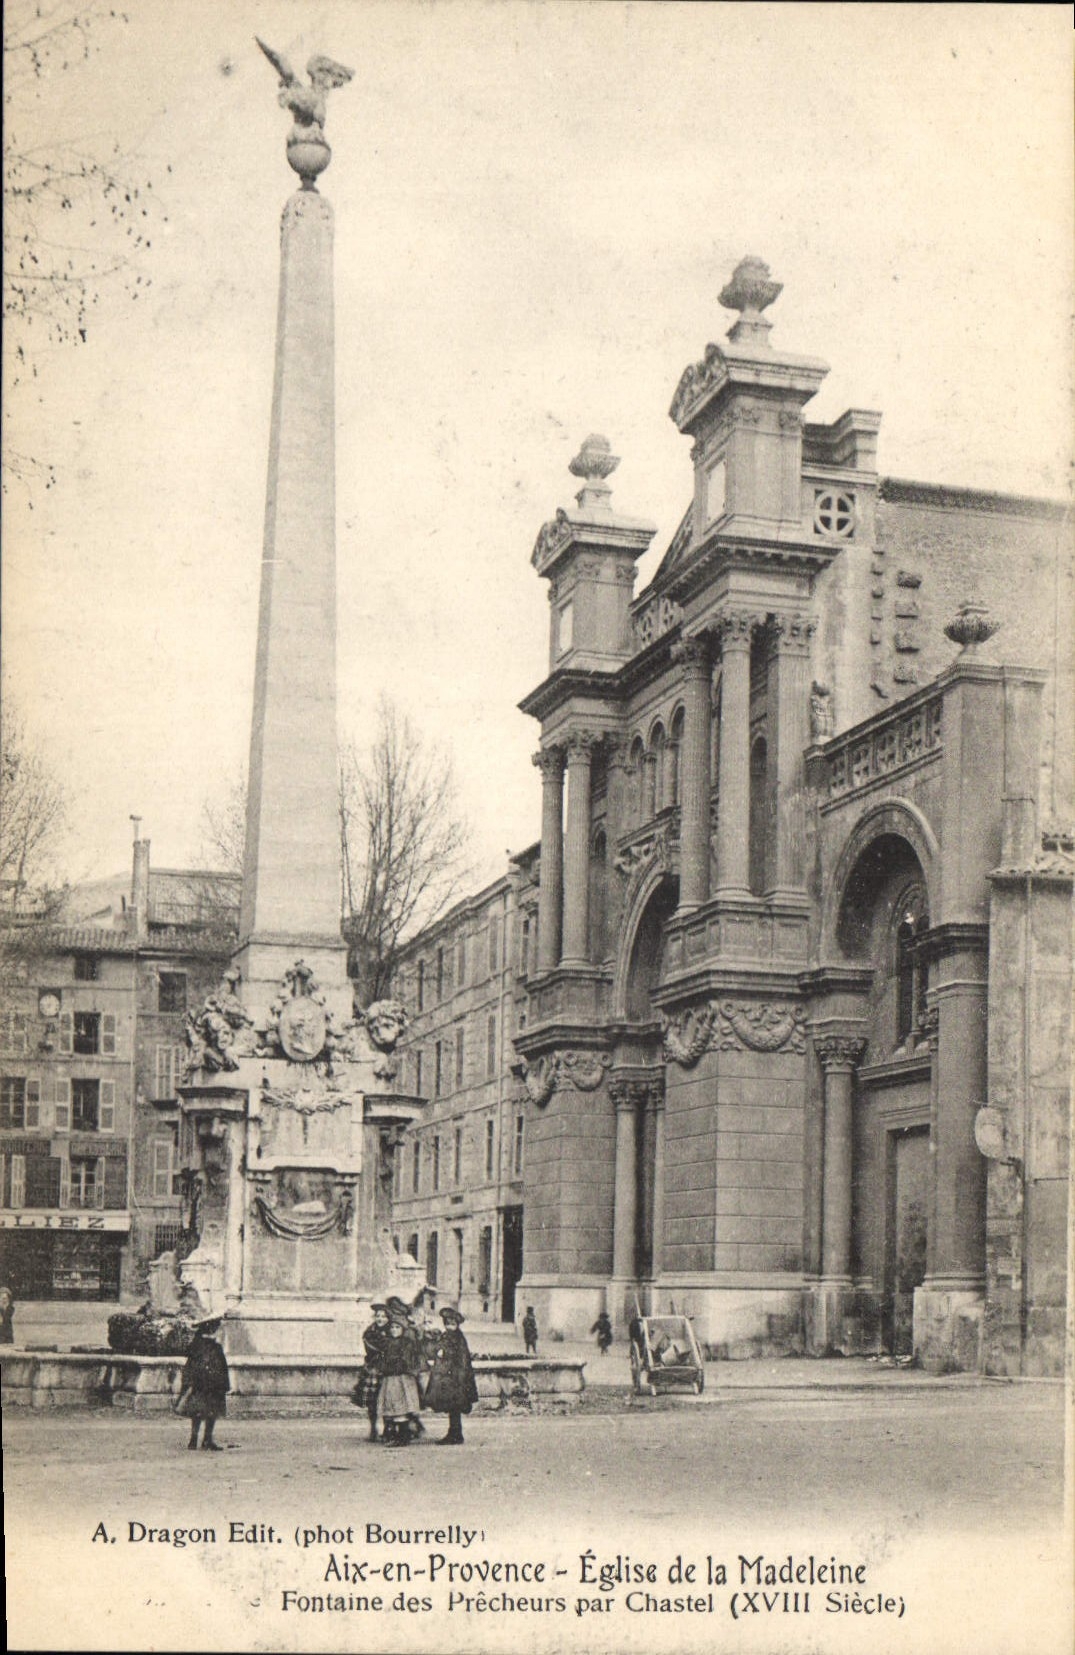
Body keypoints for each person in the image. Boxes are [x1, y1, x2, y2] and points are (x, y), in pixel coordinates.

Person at [424, 1306, 479, 1445]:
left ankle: (455, 1434)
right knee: (452, 1407)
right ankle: (454, 1432)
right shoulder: (447, 1336)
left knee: (454, 1407)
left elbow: (462, 1360)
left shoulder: (458, 1339)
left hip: (455, 1379)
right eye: (447, 1324)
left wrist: (459, 1378)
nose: (449, 1327)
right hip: (447, 1378)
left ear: (457, 1325)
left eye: (452, 1324)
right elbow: (436, 1350)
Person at [176, 1316, 230, 1451]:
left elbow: (189, 1367)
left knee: (197, 1413)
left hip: (199, 1385)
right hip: (211, 1386)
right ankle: (206, 1440)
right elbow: (222, 1368)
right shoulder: (214, 1347)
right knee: (211, 1412)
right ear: (212, 1329)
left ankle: (194, 1440)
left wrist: (188, 1383)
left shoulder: (196, 1346)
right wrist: (224, 1386)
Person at [377, 1309, 422, 1446]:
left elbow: (407, 1361)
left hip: (401, 1378)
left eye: (397, 1327)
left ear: (403, 1329)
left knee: (401, 1405)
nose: (394, 1330)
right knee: (393, 1405)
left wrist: (393, 1365)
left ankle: (403, 1436)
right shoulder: (388, 1342)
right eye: (392, 1327)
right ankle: (397, 1434)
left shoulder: (406, 1343)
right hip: (391, 1378)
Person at [359, 1302, 389, 1441]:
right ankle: (373, 1428)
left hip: (387, 1369)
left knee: (389, 1399)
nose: (380, 1319)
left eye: (383, 1316)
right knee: (372, 1400)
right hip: (374, 1368)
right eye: (378, 1316)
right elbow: (370, 1348)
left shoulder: (393, 1331)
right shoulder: (370, 1332)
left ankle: (388, 1429)